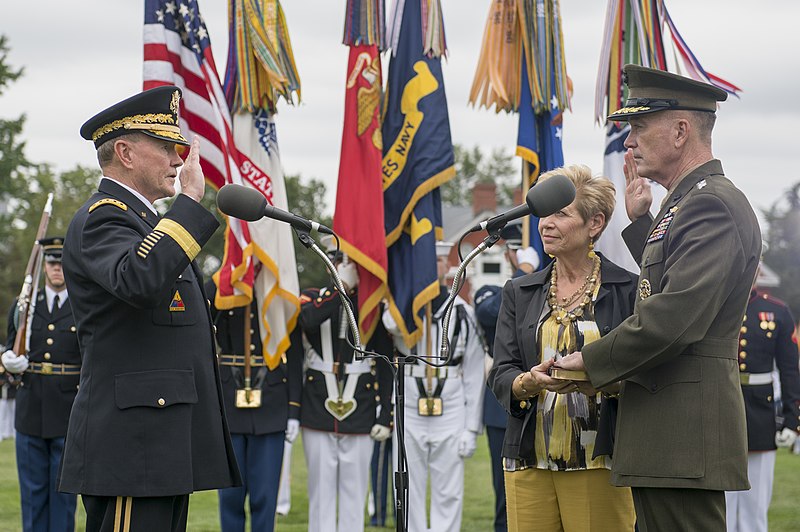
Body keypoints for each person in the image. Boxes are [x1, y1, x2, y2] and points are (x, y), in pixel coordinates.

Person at [555, 65, 762, 531]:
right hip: (670, 432)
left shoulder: (710, 204)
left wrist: (589, 360)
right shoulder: (687, 202)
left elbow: (676, 316)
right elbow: (672, 285)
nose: (628, 142)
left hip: (683, 432)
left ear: (680, 131)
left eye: (639, 127)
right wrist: (641, 224)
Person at [58, 85, 240, 531]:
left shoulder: (147, 223)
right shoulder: (104, 216)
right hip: (132, 444)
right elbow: (139, 279)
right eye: (165, 147)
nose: (178, 160)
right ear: (125, 152)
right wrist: (189, 206)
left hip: (159, 439)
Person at [488, 166, 637, 531]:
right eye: (544, 215)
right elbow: (502, 370)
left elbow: (642, 371)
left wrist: (598, 379)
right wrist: (527, 382)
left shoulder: (628, 290)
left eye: (561, 214)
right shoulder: (519, 292)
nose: (545, 224)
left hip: (599, 462)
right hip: (528, 459)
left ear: (595, 223)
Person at [383, 241, 486, 532]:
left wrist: (470, 427)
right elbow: (389, 323)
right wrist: (408, 291)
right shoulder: (405, 306)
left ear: (446, 268)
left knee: (448, 489)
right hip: (411, 401)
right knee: (408, 484)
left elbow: (475, 371)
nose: (433, 267)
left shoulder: (463, 312)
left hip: (450, 403)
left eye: (439, 262)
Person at [294, 253, 394, 532]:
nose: (345, 267)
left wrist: (386, 414)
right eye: (339, 261)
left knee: (354, 491)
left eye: (351, 263)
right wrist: (342, 290)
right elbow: (309, 320)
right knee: (321, 490)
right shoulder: (313, 296)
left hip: (361, 404)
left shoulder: (371, 305)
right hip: (317, 405)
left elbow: (385, 365)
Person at [206, 274, 302, 532]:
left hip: (271, 399)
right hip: (229, 398)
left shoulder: (279, 284)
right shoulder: (224, 281)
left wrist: (294, 408)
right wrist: (228, 271)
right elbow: (203, 310)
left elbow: (294, 353)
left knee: (265, 496)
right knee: (230, 496)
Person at [2, 237, 80, 531]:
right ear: (44, 266)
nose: (57, 268)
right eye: (52, 262)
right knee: (33, 498)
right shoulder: (23, 307)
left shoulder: (82, 305)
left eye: (61, 262)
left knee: (63, 497)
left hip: (68, 412)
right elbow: (11, 353)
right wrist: (9, 364)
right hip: (30, 409)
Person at [473, 220, 539, 532]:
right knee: (506, 496)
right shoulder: (491, 289)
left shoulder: (549, 287)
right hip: (503, 402)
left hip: (548, 395)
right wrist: (525, 271)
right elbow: (491, 312)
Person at [725, 271, 800, 532]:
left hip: (760, 414)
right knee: (720, 505)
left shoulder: (776, 311)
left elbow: (790, 370)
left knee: (754, 508)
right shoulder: (717, 304)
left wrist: (792, 420)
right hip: (721, 411)